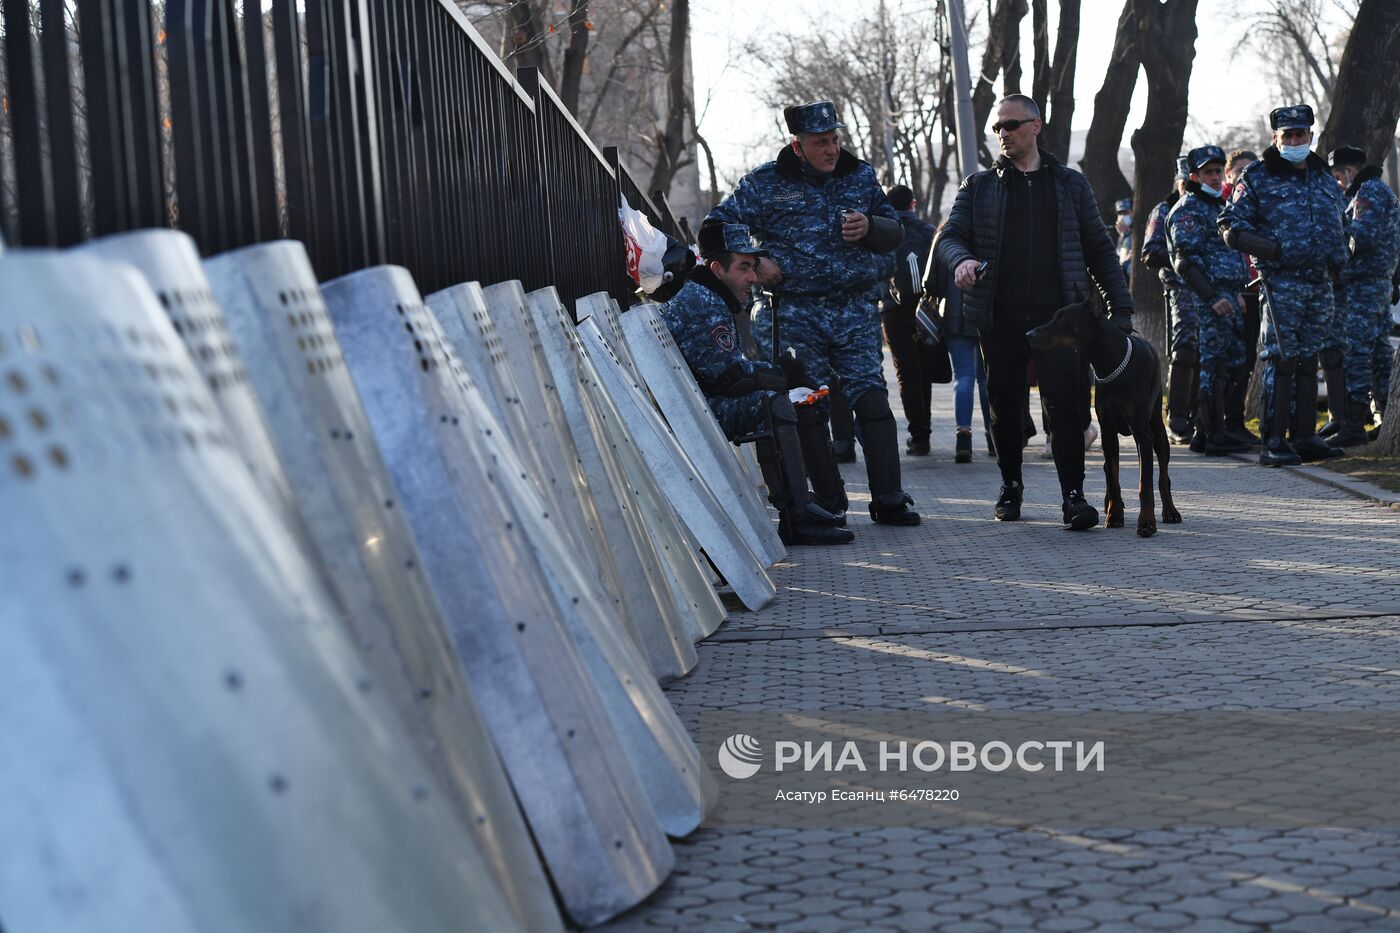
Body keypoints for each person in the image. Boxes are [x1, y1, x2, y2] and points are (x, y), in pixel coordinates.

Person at [706, 100, 920, 526]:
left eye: (835, 140)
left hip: (853, 309)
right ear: (798, 145)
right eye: (820, 142)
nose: (831, 150)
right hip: (793, 311)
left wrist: (872, 227)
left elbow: (894, 229)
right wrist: (756, 258)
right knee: (805, 404)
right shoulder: (767, 182)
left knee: (872, 399)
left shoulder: (859, 176)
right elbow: (715, 226)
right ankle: (827, 503)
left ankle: (890, 498)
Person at [934, 94, 1133, 530]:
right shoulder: (979, 186)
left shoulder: (1069, 184)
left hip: (1059, 322)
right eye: (997, 128)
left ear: (1036, 127)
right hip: (1000, 318)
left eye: (1011, 125)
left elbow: (1099, 250)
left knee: (1066, 409)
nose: (1003, 134)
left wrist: (1122, 308)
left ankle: (1073, 497)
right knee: (1004, 407)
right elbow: (951, 237)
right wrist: (961, 260)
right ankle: (1011, 486)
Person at [660, 223, 853, 546]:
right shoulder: (703, 303)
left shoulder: (709, 295)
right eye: (744, 268)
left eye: (753, 267)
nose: (752, 278)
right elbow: (729, 376)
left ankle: (817, 506)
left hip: (697, 401)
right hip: (691, 412)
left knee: (796, 400)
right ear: (716, 268)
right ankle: (799, 515)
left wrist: (781, 377)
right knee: (775, 402)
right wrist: (781, 376)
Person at [1219, 103, 1348, 466]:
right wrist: (1274, 250)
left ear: (1311, 135)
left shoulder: (1323, 177)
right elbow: (1232, 228)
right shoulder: (1258, 177)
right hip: (1282, 284)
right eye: (1287, 135)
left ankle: (1304, 435)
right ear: (1276, 138)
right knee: (1281, 360)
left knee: (1309, 361)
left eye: (1300, 134)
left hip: (1320, 283)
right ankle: (1273, 440)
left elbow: (1339, 221)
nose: (1295, 140)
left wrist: (1341, 255)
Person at [1166, 144, 1252, 455]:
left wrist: (1235, 293)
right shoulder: (1188, 209)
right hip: (1209, 299)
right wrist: (1213, 296)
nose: (1215, 177)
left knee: (1234, 363)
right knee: (1213, 366)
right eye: (1208, 172)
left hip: (1229, 295)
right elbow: (1185, 261)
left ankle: (1220, 429)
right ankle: (1210, 432)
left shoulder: (1218, 206)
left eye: (1218, 171)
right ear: (1194, 176)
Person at [1324, 145, 1399, 446]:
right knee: (1380, 352)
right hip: (1375, 283)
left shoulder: (1367, 193)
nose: (1338, 183)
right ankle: (1383, 415)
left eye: (1338, 177)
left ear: (1349, 171)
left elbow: (1361, 236)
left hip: (1364, 284)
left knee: (1357, 350)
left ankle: (1354, 422)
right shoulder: (1375, 191)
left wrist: (1333, 243)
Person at [924, 223, 992, 462]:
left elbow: (929, 281)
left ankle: (963, 435)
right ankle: (993, 434)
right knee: (986, 377)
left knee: (963, 375)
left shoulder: (945, 234)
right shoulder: (987, 227)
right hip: (986, 311)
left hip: (953, 314)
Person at [878, 184, 939, 456]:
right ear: (913, 204)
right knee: (924, 369)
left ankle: (919, 436)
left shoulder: (884, 234)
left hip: (894, 312)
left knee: (906, 372)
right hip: (927, 311)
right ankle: (925, 431)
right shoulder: (928, 233)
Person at [1142, 158, 1195, 444]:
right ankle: (1177, 417)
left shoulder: (1210, 207)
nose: (1188, 188)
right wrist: (1182, 260)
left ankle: (1208, 417)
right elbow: (1150, 253)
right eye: (1184, 183)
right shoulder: (1165, 210)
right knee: (1184, 350)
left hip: (1213, 290)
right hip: (1180, 289)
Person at [1224, 148, 1262, 443]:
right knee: (1228, 361)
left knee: (1247, 360)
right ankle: (1224, 424)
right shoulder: (1221, 205)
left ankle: (1236, 422)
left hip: (1258, 291)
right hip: (1231, 295)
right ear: (1229, 174)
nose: (1245, 176)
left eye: (1252, 170)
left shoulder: (1260, 200)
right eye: (1240, 171)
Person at [1114, 198, 1134, 283]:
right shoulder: (1123, 237)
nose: (1122, 216)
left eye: (1125, 213)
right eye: (1119, 213)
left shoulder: (1136, 235)